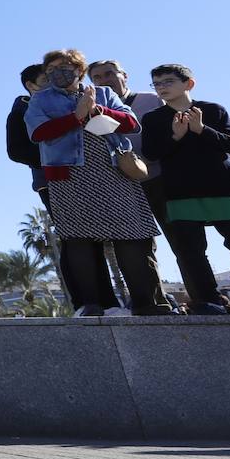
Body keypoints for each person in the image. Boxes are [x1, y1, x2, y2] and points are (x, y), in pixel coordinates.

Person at [26, 49, 169, 316]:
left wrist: (98, 110)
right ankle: (93, 305)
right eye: (53, 69)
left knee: (133, 236)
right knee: (80, 238)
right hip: (69, 177)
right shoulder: (40, 100)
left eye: (66, 67)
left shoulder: (102, 94)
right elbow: (38, 133)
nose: (59, 72)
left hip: (115, 172)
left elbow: (131, 124)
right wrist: (76, 116)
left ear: (79, 70)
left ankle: (148, 304)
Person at [141, 64, 230, 315]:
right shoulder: (153, 118)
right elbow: (151, 153)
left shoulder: (212, 110)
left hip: (225, 187)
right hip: (181, 193)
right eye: (157, 84)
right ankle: (210, 301)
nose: (162, 87)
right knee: (191, 252)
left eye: (168, 81)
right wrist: (176, 136)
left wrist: (201, 130)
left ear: (189, 84)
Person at [87, 59, 174, 312]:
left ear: (124, 75)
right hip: (123, 184)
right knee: (139, 245)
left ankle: (204, 298)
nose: (104, 79)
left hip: (160, 179)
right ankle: (154, 300)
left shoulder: (152, 100)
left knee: (180, 239)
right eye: (97, 77)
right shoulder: (90, 105)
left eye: (110, 73)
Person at [7, 64, 51, 208]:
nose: (53, 83)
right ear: (31, 85)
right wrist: (54, 156)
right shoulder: (21, 112)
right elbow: (16, 151)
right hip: (48, 181)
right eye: (46, 79)